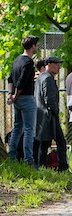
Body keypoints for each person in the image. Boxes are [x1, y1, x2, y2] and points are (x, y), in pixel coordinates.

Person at [7, 35, 40, 166]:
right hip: (26, 98)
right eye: (36, 45)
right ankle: (28, 159)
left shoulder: (16, 60)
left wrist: (11, 94)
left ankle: (12, 155)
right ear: (32, 46)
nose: (37, 47)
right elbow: (23, 80)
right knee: (29, 129)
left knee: (17, 127)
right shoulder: (28, 62)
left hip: (17, 100)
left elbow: (10, 78)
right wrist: (16, 93)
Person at [34, 56, 69, 171]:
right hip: (48, 116)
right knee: (60, 141)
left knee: (44, 143)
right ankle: (62, 167)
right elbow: (49, 99)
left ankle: (42, 166)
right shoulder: (47, 78)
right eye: (57, 64)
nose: (59, 67)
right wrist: (55, 112)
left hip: (43, 115)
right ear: (49, 64)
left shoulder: (42, 77)